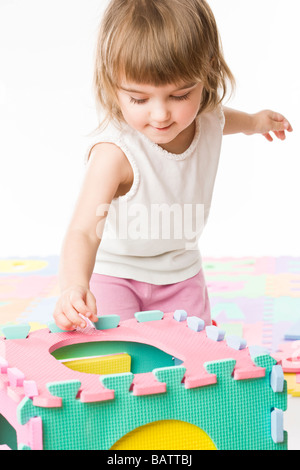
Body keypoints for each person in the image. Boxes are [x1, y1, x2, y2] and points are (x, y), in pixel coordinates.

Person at [53, 0, 292, 331]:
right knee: (122, 362)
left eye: (180, 95)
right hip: (116, 276)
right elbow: (81, 230)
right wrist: (74, 286)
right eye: (139, 99)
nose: (160, 114)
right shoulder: (115, 152)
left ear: (207, 73)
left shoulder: (207, 119)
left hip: (182, 274)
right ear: (113, 82)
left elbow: (226, 120)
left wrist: (257, 122)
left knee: (198, 362)